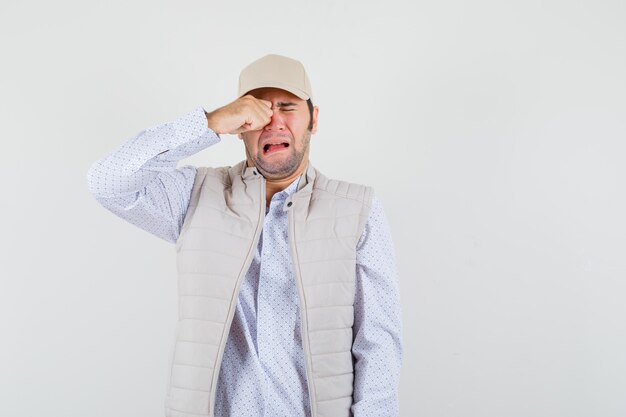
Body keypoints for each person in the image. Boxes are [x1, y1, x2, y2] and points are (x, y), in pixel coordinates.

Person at [87, 54, 402, 417]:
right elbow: (108, 183)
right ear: (240, 126)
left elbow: (378, 341)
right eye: (258, 112)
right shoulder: (196, 195)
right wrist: (210, 123)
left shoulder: (357, 208)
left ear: (314, 120)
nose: (274, 122)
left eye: (287, 107)